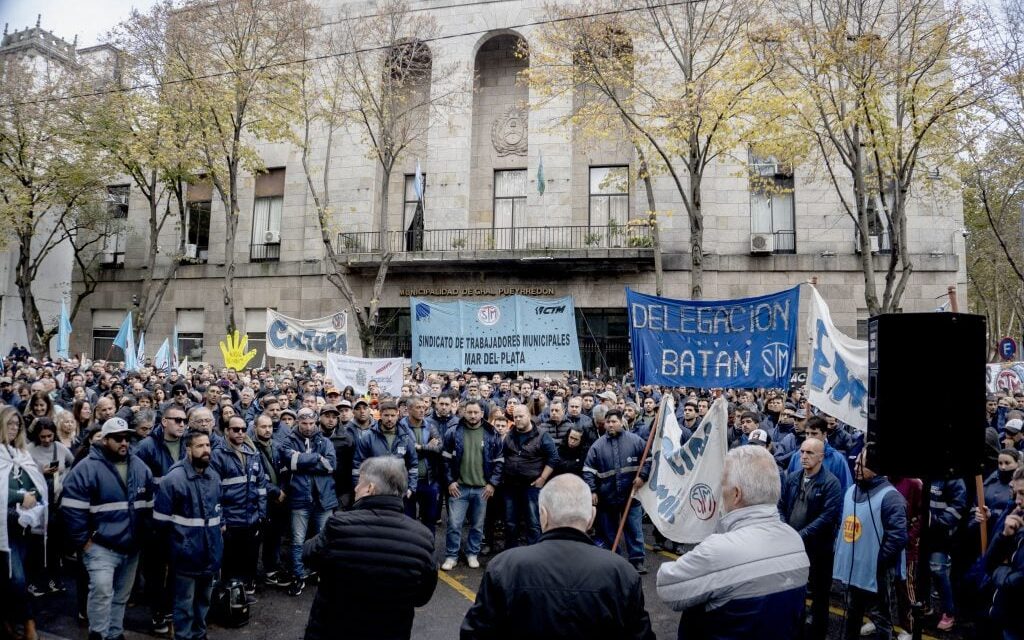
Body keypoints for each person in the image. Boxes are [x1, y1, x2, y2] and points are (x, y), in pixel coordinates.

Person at [461, 474, 655, 640]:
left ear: (542, 515)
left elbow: (475, 633)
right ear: (591, 516)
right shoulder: (622, 573)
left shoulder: (504, 567)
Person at [657, 445, 809, 639]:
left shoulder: (717, 551)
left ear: (736, 494)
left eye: (723, 485)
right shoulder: (794, 539)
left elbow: (666, 586)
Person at [302, 457, 437, 640]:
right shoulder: (423, 538)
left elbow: (309, 555)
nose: (356, 488)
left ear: (370, 488)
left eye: (359, 483)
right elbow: (422, 596)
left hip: (335, 629)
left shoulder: (339, 525)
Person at [61, 417, 153, 640]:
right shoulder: (86, 468)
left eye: (127, 438)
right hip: (100, 547)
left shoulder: (140, 467)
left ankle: (115, 633)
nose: (124, 443)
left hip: (131, 547)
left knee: (121, 596)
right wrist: (84, 541)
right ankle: (99, 634)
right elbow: (72, 509)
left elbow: (148, 506)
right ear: (104, 440)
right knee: (102, 593)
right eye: (118, 438)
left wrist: (142, 537)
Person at [154, 430, 222, 640]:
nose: (206, 451)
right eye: (200, 446)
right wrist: (176, 549)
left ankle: (200, 636)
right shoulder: (173, 479)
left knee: (203, 602)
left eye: (208, 446)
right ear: (188, 449)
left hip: (210, 554)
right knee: (184, 605)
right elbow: (161, 522)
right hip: (185, 557)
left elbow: (219, 511)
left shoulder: (213, 476)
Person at [834, 447, 908, 640]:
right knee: (852, 613)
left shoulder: (891, 498)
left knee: (881, 618)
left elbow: (898, 537)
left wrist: (877, 562)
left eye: (861, 464)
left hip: (877, 573)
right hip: (853, 568)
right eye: (856, 463)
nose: (856, 467)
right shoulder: (851, 490)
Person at [780, 437, 842, 640]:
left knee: (820, 596)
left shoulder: (831, 483)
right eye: (802, 452)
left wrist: (800, 535)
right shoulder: (793, 478)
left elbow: (827, 517)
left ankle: (818, 634)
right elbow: (781, 505)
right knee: (791, 591)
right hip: (793, 547)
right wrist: (785, 528)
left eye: (810, 453)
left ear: (821, 457)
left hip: (819, 549)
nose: (804, 456)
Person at [1, 407, 48, 640]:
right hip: (2, 524)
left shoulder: (20, 453)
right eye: (9, 423)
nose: (13, 428)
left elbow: (35, 485)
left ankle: (12, 620)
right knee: (14, 576)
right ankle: (28, 622)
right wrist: (19, 496)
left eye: (17, 424)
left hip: (20, 524)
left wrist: (31, 495)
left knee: (18, 576)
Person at [280, 407, 337, 596]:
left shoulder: (325, 440)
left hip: (324, 498)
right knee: (297, 540)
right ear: (297, 422)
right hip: (299, 498)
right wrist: (316, 458)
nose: (308, 427)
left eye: (312, 423)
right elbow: (291, 462)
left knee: (323, 539)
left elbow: (330, 466)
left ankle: (322, 573)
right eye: (304, 423)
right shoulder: (288, 440)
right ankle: (298, 575)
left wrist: (303, 462)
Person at [441, 400, 503, 571]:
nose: (473, 415)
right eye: (470, 412)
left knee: (477, 525)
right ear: (464, 412)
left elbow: (499, 462)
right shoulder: (453, 432)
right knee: (454, 524)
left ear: (482, 413)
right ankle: (451, 556)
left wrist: (492, 484)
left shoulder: (491, 433)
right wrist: (450, 481)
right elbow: (445, 460)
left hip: (482, 489)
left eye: (476, 412)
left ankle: (472, 554)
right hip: (458, 488)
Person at [210, 415, 267, 599]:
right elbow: (215, 492)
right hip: (231, 520)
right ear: (226, 431)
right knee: (229, 562)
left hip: (251, 518)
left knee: (248, 558)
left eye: (243, 429)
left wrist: (261, 514)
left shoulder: (252, 453)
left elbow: (261, 487)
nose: (241, 433)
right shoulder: (218, 455)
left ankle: (243, 593)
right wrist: (222, 520)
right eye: (236, 429)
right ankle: (228, 597)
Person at [501, 404, 558, 547]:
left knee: (533, 522)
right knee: (510, 522)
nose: (518, 419)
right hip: (510, 485)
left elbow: (553, 458)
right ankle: (511, 552)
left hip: (532, 486)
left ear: (529, 416)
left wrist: (543, 478)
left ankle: (535, 552)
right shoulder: (509, 435)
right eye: (515, 417)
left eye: (521, 416)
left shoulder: (542, 435)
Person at [983, 465, 1024, 640]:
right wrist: (1004, 536)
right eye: (1017, 494)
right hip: (1008, 618)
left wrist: (1001, 573)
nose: (1018, 500)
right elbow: (989, 563)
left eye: (1023, 493)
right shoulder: (1017, 517)